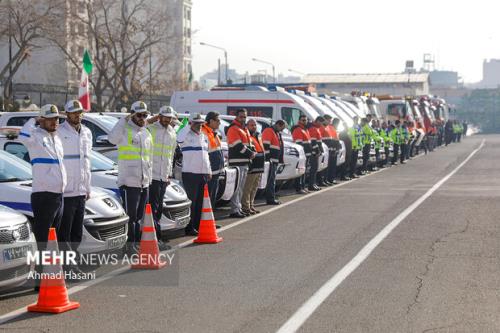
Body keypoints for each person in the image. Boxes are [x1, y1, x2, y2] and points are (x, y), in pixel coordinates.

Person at [19, 104, 66, 289]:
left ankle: (52, 275)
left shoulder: (57, 138)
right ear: (42, 120)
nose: (55, 122)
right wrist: (34, 120)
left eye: (56, 118)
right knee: (43, 240)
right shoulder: (35, 137)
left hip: (58, 195)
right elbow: (23, 135)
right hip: (44, 195)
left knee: (55, 239)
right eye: (50, 118)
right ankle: (39, 279)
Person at [108, 101, 153, 253]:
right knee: (131, 216)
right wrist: (124, 120)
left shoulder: (146, 133)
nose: (142, 118)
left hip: (144, 182)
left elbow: (149, 158)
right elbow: (112, 139)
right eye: (139, 115)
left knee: (140, 216)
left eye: (144, 115)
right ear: (132, 115)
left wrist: (149, 179)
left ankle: (135, 243)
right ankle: (129, 246)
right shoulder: (124, 130)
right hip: (129, 181)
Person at [58, 100, 92, 271]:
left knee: (77, 233)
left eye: (79, 112)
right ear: (66, 114)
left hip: (80, 191)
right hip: (66, 191)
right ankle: (67, 266)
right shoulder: (58, 131)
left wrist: (88, 187)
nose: (77, 115)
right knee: (65, 233)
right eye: (73, 112)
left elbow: (87, 162)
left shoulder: (86, 132)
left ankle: (72, 263)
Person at [177, 113, 212, 235]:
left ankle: (197, 225)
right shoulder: (185, 135)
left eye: (201, 123)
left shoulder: (203, 136)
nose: (199, 125)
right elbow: (178, 138)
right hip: (190, 173)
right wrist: (187, 125)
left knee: (200, 202)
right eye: (196, 123)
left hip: (202, 173)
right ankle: (189, 227)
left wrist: (208, 170)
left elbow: (205, 155)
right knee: (192, 202)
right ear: (191, 123)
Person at [147, 106, 176, 245]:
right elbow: (137, 127)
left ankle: (157, 236)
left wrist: (168, 174)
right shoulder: (151, 128)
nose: (167, 119)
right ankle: (154, 238)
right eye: (165, 117)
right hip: (151, 175)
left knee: (158, 208)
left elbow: (171, 154)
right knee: (152, 208)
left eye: (169, 117)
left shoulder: (172, 132)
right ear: (160, 116)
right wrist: (150, 119)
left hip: (163, 176)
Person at [227, 109, 255, 217]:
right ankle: (234, 210)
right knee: (237, 187)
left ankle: (238, 208)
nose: (243, 119)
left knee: (241, 187)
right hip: (237, 162)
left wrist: (253, 151)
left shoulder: (244, 129)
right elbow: (238, 145)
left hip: (244, 162)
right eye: (241, 117)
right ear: (236, 117)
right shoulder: (233, 128)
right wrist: (250, 153)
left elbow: (249, 144)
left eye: (245, 117)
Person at [241, 119, 265, 214]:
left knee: (254, 188)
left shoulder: (258, 135)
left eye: (255, 125)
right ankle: (246, 207)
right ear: (247, 126)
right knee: (248, 188)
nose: (254, 127)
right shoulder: (247, 136)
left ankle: (251, 205)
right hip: (252, 166)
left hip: (259, 166)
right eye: (251, 125)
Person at [201, 112, 225, 207]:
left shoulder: (212, 132)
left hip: (216, 171)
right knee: (208, 197)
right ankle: (205, 220)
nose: (219, 123)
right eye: (218, 120)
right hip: (210, 172)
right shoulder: (204, 133)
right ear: (211, 121)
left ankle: (210, 219)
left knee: (212, 196)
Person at [262, 120, 286, 204]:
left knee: (272, 180)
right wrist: (269, 159)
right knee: (270, 181)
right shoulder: (269, 131)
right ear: (278, 125)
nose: (281, 130)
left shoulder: (276, 132)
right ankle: (270, 199)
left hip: (274, 160)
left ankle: (271, 197)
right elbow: (266, 146)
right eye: (281, 128)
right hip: (271, 160)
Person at [292, 115, 312, 194]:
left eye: (306, 120)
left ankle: (303, 187)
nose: (305, 121)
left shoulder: (305, 129)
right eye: (303, 120)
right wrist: (302, 154)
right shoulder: (298, 129)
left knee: (303, 171)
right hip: (302, 155)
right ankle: (299, 188)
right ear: (299, 120)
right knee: (300, 171)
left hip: (306, 154)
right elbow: (299, 144)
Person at [307, 117, 325, 190]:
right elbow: (313, 142)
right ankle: (311, 185)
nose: (321, 124)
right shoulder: (313, 128)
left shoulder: (316, 128)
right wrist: (316, 151)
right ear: (317, 121)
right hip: (314, 153)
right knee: (313, 168)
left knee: (315, 168)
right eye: (320, 122)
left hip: (316, 152)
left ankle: (313, 184)